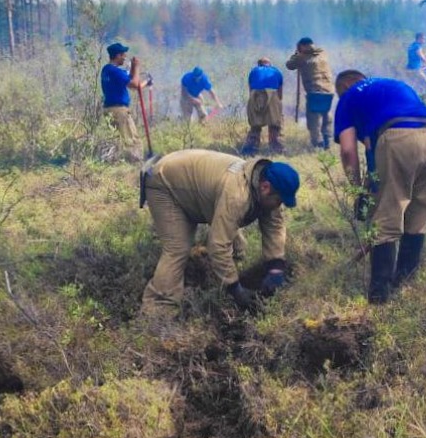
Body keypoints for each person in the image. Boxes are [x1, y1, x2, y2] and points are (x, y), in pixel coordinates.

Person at [334, 70, 426, 304]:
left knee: (386, 217)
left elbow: (347, 150)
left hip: (397, 138)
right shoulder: (396, 84)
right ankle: (405, 285)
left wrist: (359, 191)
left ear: (343, 87)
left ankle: (379, 296)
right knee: (419, 215)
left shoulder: (348, 96)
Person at [140, 149, 298, 315]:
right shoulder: (237, 196)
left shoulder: (261, 183)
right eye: (279, 200)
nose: (279, 206)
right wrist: (236, 289)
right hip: (165, 183)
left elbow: (274, 225)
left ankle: (216, 277)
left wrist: (276, 267)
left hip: (191, 182)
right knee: (177, 248)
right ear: (265, 187)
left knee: (238, 247)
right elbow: (218, 246)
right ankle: (157, 310)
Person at [101, 42, 149, 162]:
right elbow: (134, 84)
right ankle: (136, 165)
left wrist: (132, 67)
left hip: (108, 109)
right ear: (117, 55)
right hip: (119, 110)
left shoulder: (107, 70)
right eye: (123, 55)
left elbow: (129, 80)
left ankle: (116, 161)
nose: (125, 57)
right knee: (132, 139)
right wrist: (137, 68)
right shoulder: (115, 72)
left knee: (117, 139)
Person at [284, 37, 335, 149]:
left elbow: (289, 65)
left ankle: (318, 144)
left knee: (313, 120)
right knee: (327, 116)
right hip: (329, 90)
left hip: (315, 91)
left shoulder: (301, 57)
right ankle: (328, 142)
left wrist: (296, 54)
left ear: (302, 46)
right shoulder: (323, 53)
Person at [242, 58, 285, 156]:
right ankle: (276, 150)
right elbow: (280, 95)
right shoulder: (276, 71)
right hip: (273, 95)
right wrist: (276, 109)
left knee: (255, 126)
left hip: (255, 96)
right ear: (270, 64)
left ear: (259, 65)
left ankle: (250, 150)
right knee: (275, 126)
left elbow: (250, 90)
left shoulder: (253, 71)